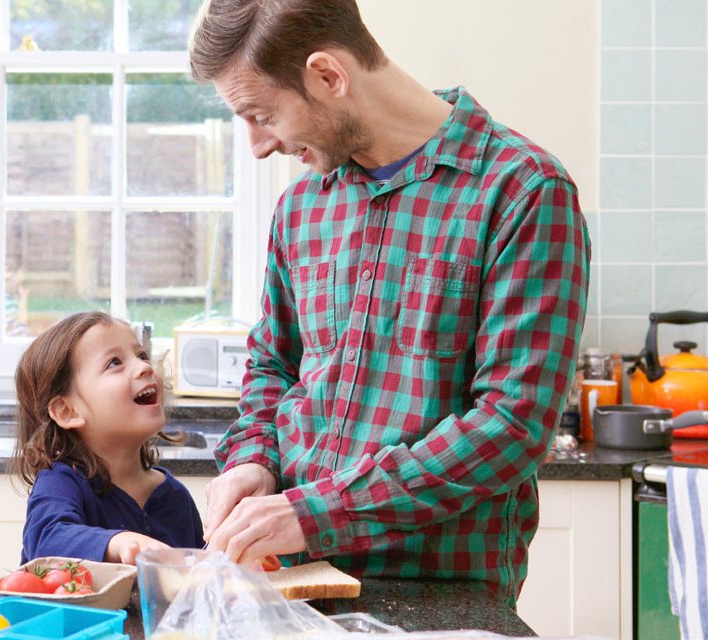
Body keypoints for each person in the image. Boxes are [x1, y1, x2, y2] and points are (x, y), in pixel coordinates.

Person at [189, 0, 589, 602]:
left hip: (438, 594)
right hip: (285, 581)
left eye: (261, 114)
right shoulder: (302, 206)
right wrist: (253, 459)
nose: (257, 146)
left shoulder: (523, 190)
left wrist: (315, 514)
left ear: (328, 76)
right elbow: (273, 364)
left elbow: (511, 426)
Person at [12, 311, 205, 565]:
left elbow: (197, 579)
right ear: (68, 411)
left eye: (141, 355)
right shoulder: (61, 482)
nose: (145, 367)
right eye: (114, 363)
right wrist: (120, 542)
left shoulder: (175, 497)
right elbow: (46, 541)